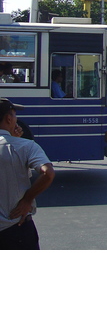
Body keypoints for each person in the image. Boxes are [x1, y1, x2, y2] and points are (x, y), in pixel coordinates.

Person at [0, 98, 55, 250]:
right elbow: (48, 173)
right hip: (16, 228)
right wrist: (27, 200)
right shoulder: (25, 146)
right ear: (9, 118)